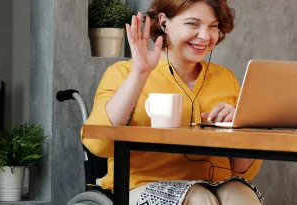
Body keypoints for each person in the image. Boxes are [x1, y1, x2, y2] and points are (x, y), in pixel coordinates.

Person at [81, 0, 264, 204]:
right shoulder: (123, 74)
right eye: (193, 24)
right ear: (164, 22)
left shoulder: (226, 79)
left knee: (241, 196)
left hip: (215, 183)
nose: (205, 36)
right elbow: (99, 144)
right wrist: (140, 74)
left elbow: (242, 168)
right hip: (139, 185)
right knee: (198, 199)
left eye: (212, 26)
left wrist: (238, 128)